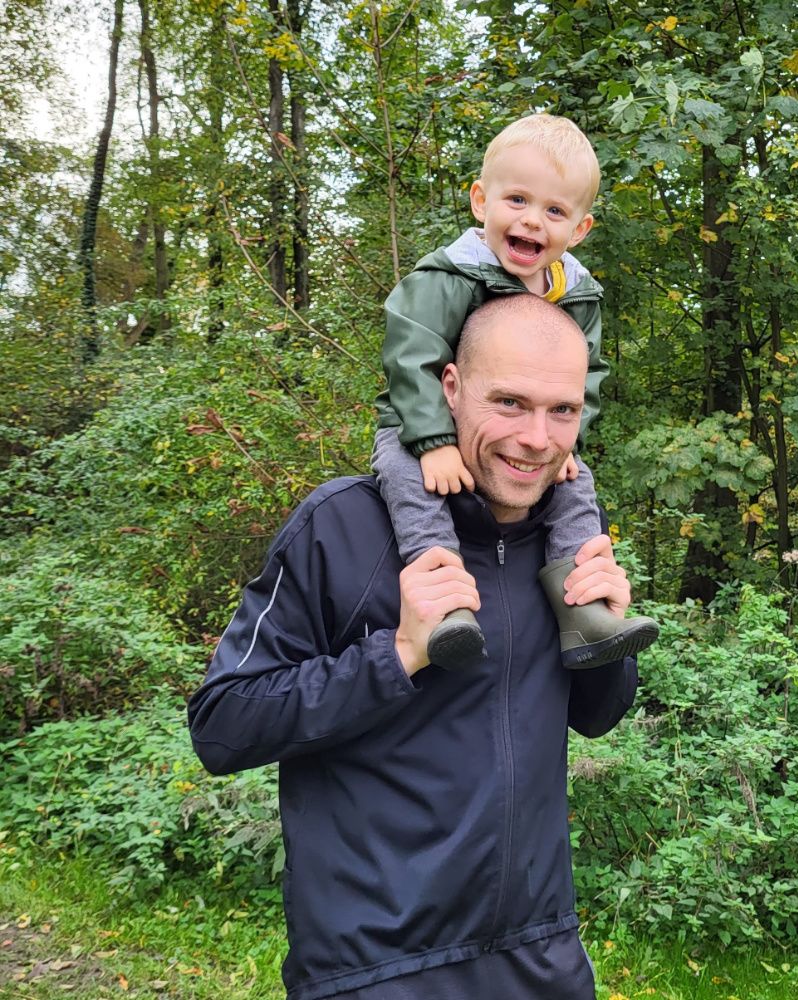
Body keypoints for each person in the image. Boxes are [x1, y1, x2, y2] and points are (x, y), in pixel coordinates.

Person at [188, 296, 644, 1000]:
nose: (537, 438)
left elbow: (595, 716)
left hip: (540, 954)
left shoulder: (564, 531)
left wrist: (607, 632)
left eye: (563, 410)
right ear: (450, 389)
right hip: (376, 967)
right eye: (510, 403)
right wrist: (398, 655)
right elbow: (223, 724)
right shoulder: (342, 525)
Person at [372, 113, 658, 671]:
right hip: (415, 423)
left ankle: (583, 607)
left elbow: (587, 378)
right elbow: (410, 360)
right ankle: (445, 604)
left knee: (577, 488)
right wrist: (434, 442)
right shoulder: (448, 278)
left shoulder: (577, 295)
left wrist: (565, 442)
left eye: (554, 211)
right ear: (481, 201)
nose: (532, 220)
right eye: (518, 200)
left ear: (579, 229)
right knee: (412, 485)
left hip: (516, 444)